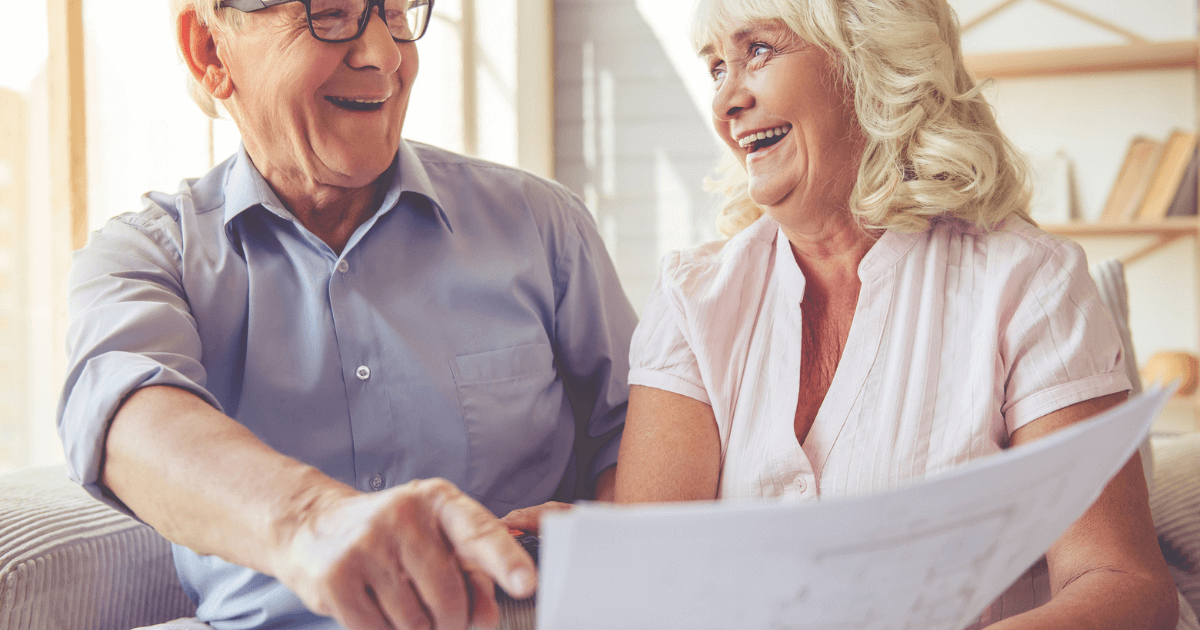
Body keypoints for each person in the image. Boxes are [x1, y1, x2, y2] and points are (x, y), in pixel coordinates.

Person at [57, 1, 636, 629]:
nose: (383, 55)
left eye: (393, 13)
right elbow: (130, 423)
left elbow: (634, 434)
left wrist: (606, 529)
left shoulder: (540, 224)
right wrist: (314, 522)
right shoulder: (146, 256)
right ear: (210, 49)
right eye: (329, 14)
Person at [612, 0, 1181, 628]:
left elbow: (1120, 581)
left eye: (759, 51)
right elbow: (649, 591)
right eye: (717, 67)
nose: (725, 103)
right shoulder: (692, 301)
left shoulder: (1026, 280)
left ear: (868, 61)